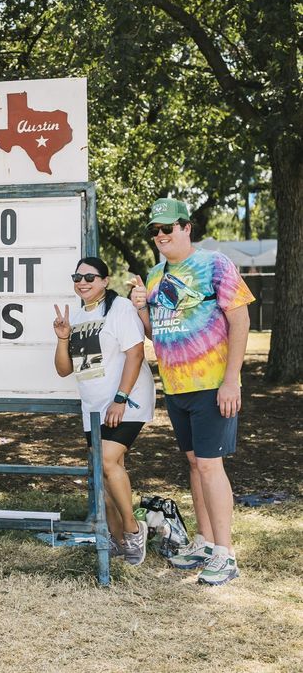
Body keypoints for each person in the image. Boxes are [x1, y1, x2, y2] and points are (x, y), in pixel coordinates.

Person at [130, 198, 254, 585]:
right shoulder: (153, 276)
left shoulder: (215, 264)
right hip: (177, 387)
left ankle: (225, 554)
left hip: (211, 384)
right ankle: (203, 541)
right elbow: (157, 333)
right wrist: (141, 309)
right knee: (195, 465)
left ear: (187, 228)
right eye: (155, 231)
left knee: (209, 465)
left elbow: (240, 320)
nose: (161, 236)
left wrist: (231, 379)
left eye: (168, 228)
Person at [53, 257, 156, 565]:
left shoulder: (120, 309)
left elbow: (136, 353)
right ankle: (116, 539)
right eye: (78, 276)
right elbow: (63, 369)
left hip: (127, 400)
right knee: (104, 472)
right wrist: (62, 338)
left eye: (90, 276)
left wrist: (121, 398)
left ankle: (134, 530)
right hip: (94, 406)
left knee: (108, 462)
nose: (83, 282)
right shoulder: (79, 316)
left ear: (105, 281)